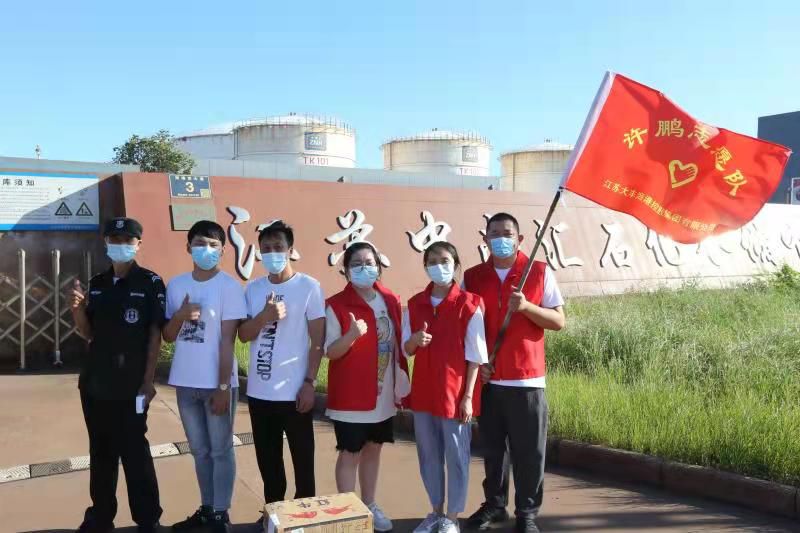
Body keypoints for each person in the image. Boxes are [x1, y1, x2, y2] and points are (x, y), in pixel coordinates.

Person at [463, 213, 565, 533]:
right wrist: (478, 363)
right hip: (489, 379)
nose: (500, 239)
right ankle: (495, 505)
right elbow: (465, 327)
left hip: (527, 379)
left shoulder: (539, 272)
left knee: (529, 452)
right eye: (494, 233)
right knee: (493, 451)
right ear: (485, 239)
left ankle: (527, 512)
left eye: (507, 233)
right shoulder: (472, 277)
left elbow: (558, 321)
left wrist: (526, 308)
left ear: (520, 239)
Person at [70, 217, 164, 533]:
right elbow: (88, 333)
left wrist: (148, 382)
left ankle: (148, 519)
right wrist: (77, 311)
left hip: (132, 387)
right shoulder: (97, 283)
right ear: (106, 243)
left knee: (135, 452)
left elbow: (155, 335)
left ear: (138, 244)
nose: (120, 245)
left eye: (127, 240)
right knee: (101, 452)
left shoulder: (150, 282)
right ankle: (101, 516)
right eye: (114, 240)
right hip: (95, 385)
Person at [163, 220, 247, 533]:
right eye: (200, 243)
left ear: (223, 251)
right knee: (199, 451)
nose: (206, 250)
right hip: (186, 383)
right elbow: (168, 335)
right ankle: (208, 507)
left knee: (220, 450)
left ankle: (221, 514)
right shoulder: (176, 285)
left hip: (217, 384)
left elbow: (228, 341)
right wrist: (181, 315)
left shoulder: (229, 287)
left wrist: (224, 386)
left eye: (213, 245)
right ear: (188, 247)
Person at [238, 221, 325, 511]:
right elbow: (243, 335)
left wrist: (310, 383)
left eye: (278, 247)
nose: (272, 253)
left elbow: (318, 340)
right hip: (260, 393)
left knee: (303, 463)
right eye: (266, 248)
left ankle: (304, 518)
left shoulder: (309, 286)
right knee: (269, 463)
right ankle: (274, 515)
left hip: (295, 392)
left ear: (290, 250)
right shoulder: (253, 288)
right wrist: (265, 316)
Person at [324, 242, 410, 532]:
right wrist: (350, 336)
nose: (364, 268)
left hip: (382, 395)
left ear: (379, 266)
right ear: (346, 270)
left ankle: (370, 504)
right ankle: (348, 514)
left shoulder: (390, 299)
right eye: (356, 264)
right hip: (351, 395)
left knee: (374, 449)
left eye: (369, 262)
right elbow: (330, 351)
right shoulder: (336, 304)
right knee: (350, 452)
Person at [403, 242, 488, 533]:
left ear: (456, 264)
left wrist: (468, 397)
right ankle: (436, 511)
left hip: (455, 394)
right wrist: (415, 340)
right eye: (433, 261)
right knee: (428, 455)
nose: (439, 266)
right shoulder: (415, 304)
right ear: (425, 266)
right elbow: (406, 349)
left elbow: (475, 356)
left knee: (456, 456)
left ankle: (452, 517)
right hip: (424, 393)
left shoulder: (470, 303)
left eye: (445, 260)